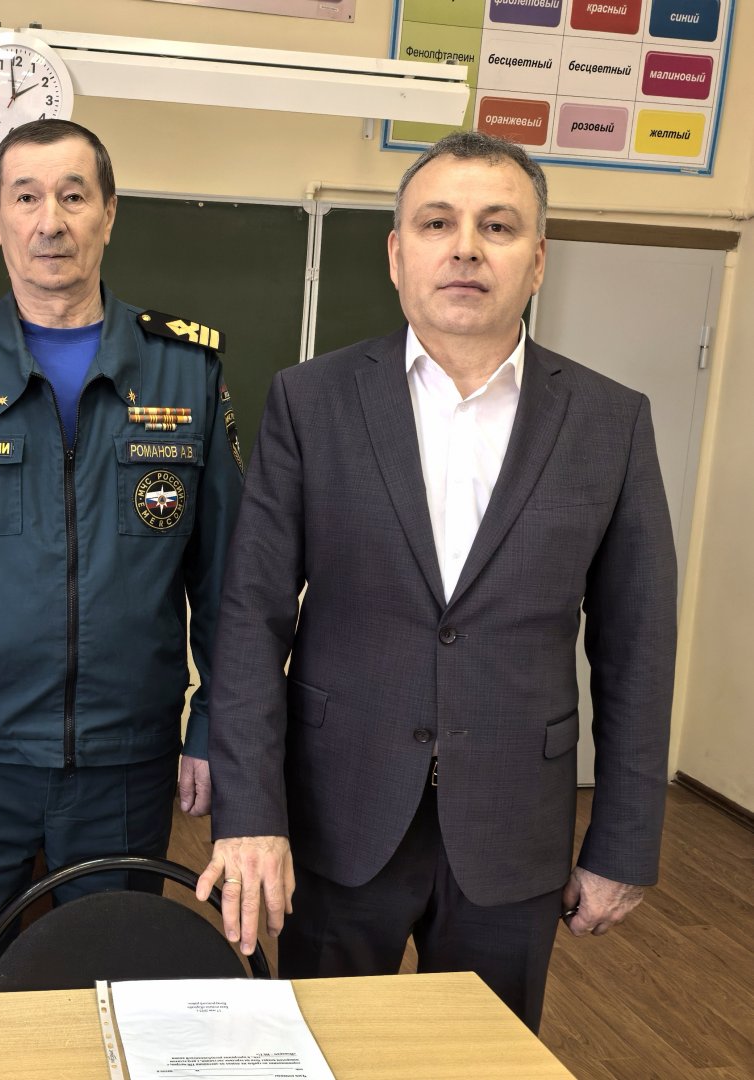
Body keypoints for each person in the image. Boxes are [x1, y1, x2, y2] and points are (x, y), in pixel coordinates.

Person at [197, 131, 677, 1031]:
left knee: (484, 1058)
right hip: (337, 821)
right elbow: (250, 619)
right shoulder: (311, 401)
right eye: (437, 223)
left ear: (537, 260)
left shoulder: (610, 422)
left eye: (498, 226)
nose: (465, 248)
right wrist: (250, 812)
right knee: (327, 1051)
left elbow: (638, 651)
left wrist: (623, 841)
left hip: (513, 831)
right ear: (396, 255)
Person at [0, 119, 244, 992]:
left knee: (110, 990)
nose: (49, 221)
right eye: (26, 197)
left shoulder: (187, 372)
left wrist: (215, 726)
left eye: (72, 196)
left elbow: (228, 582)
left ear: (109, 213)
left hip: (125, 758)